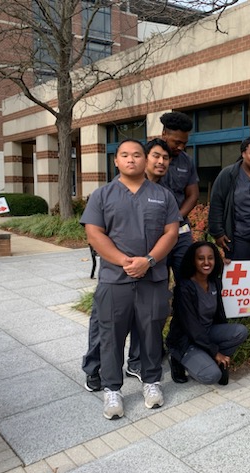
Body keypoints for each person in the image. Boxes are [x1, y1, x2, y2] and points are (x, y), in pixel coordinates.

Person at [81, 138, 180, 419]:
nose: (131, 159)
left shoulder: (162, 196)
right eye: (125, 155)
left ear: (144, 159)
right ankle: (112, 389)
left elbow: (171, 233)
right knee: (111, 334)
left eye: (137, 155)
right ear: (116, 161)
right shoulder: (102, 195)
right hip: (115, 277)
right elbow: (94, 234)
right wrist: (123, 261)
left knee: (150, 330)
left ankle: (151, 382)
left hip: (153, 277)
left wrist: (148, 261)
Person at [166, 241, 248, 385]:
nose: (206, 262)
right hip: (186, 339)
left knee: (240, 331)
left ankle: (211, 358)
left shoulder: (214, 282)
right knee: (212, 376)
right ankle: (177, 358)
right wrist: (215, 352)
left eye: (210, 258)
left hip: (207, 332)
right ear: (193, 261)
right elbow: (192, 328)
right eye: (201, 258)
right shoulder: (184, 288)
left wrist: (215, 349)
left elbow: (219, 314)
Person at [159, 112, 200, 280]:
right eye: (177, 142)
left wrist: (176, 219)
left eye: (184, 143)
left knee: (186, 278)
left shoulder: (186, 161)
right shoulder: (147, 157)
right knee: (158, 279)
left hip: (181, 231)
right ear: (164, 134)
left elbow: (193, 194)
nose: (181, 147)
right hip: (156, 232)